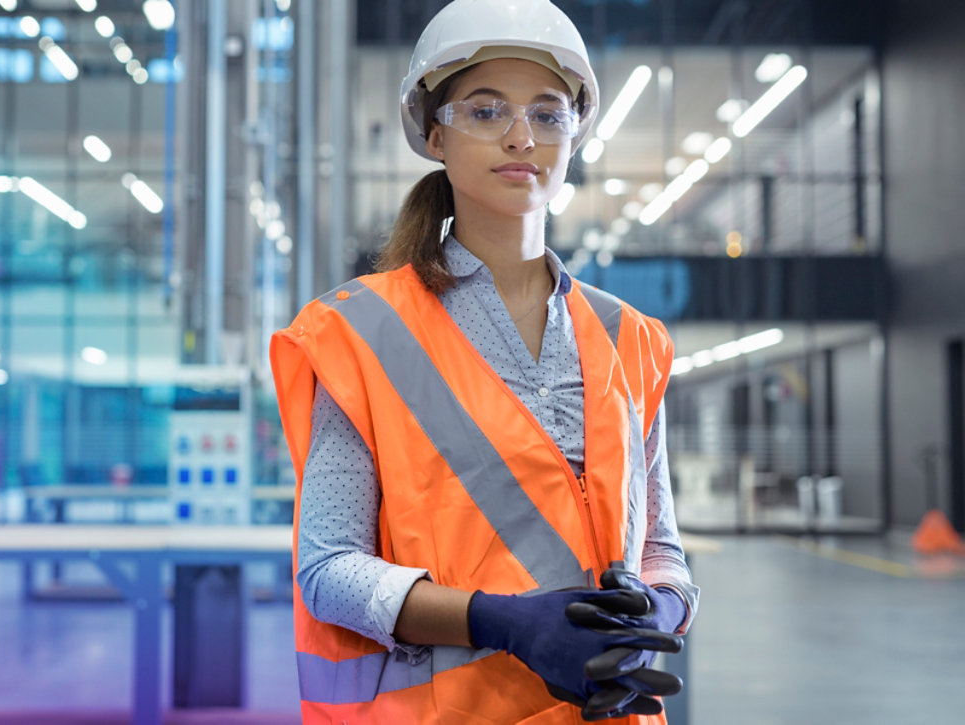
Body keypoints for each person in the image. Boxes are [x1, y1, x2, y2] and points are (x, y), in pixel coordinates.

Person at [269, 0, 699, 722]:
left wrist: (658, 603)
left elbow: (661, 546)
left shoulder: (632, 339)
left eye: (548, 113)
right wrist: (502, 620)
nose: (521, 137)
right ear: (436, 135)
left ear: (573, 136)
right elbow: (329, 569)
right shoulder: (359, 331)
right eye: (486, 111)